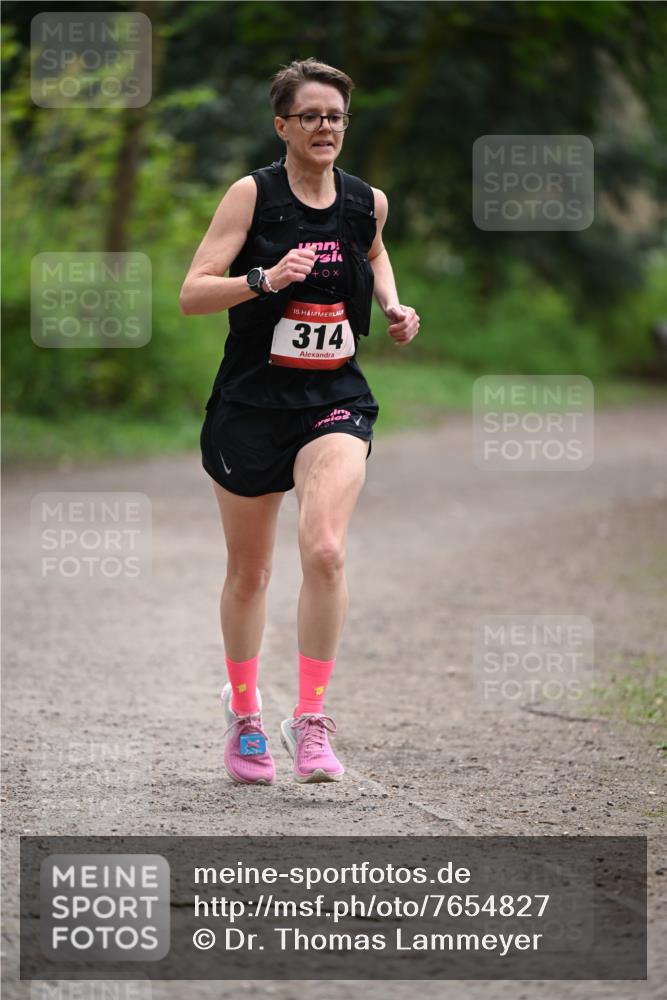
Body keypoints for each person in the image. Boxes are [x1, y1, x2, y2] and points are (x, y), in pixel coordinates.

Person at [180, 58, 419, 786]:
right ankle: (246, 715)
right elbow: (192, 293)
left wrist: (390, 305)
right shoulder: (252, 195)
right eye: (310, 115)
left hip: (333, 398)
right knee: (250, 573)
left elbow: (372, 251)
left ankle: (310, 719)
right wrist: (262, 280)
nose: (325, 127)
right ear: (282, 124)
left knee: (324, 549)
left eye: (336, 116)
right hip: (252, 403)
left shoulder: (365, 201)